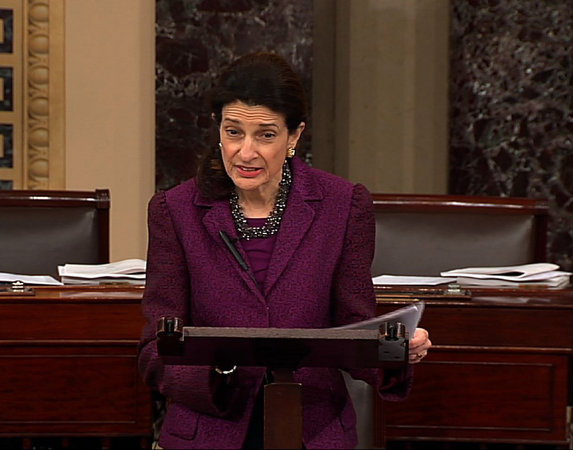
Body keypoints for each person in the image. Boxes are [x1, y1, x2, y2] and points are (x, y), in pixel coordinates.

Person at [138, 51, 432, 449]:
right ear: (217, 129)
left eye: (266, 135)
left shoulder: (343, 205)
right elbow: (155, 349)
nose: (245, 152)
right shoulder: (174, 210)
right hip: (208, 431)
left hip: (312, 430)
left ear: (294, 136)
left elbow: (353, 326)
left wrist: (397, 351)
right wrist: (219, 373)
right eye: (233, 132)